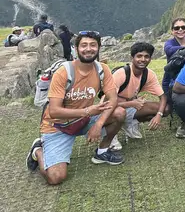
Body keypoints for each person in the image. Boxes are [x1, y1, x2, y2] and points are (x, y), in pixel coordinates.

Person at [25, 31, 125, 185]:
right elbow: (54, 111)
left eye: (93, 45)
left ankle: (102, 151)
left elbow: (113, 99)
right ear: (76, 48)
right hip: (57, 126)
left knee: (119, 113)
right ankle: (38, 150)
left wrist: (98, 124)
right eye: (84, 45)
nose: (88, 49)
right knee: (55, 177)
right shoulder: (64, 72)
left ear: (99, 48)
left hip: (84, 120)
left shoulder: (102, 69)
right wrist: (87, 111)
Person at [109, 42, 170, 149]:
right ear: (132, 57)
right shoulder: (120, 74)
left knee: (165, 109)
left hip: (131, 105)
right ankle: (110, 135)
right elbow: (107, 104)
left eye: (146, 56)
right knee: (119, 112)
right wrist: (131, 103)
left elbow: (163, 97)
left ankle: (129, 123)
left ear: (150, 59)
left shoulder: (149, 74)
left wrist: (159, 115)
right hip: (113, 108)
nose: (143, 59)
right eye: (139, 56)